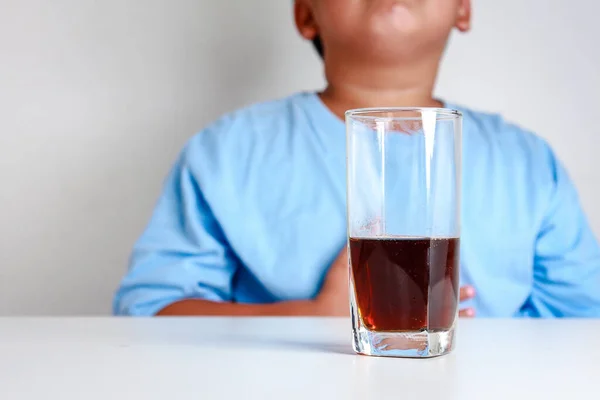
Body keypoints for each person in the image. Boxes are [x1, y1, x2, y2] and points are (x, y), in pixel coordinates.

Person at [114, 0, 600, 318]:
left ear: (463, 10)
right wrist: (312, 317)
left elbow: (582, 321)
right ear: (306, 15)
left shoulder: (527, 162)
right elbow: (149, 309)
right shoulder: (225, 151)